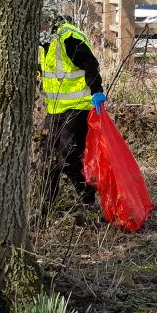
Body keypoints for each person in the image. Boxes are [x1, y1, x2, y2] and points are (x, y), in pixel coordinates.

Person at [39, 11, 107, 212]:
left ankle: (87, 200)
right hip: (56, 110)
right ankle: (45, 207)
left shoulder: (68, 37)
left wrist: (97, 92)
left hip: (78, 108)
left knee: (67, 158)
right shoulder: (45, 41)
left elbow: (90, 64)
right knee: (48, 159)